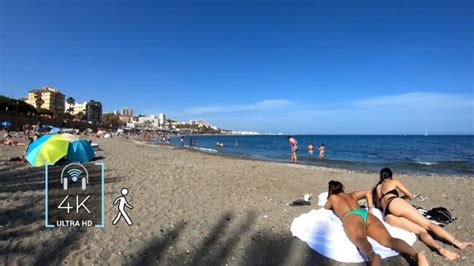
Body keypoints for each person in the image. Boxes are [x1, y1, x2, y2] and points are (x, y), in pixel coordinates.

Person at [372, 168, 472, 260]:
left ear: (381, 177)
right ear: (391, 176)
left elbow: (379, 205)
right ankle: (459, 244)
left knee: (421, 232)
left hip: (388, 216)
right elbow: (409, 195)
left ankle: (440, 249)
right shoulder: (393, 182)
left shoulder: (377, 188)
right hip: (395, 203)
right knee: (428, 225)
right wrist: (401, 199)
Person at [324, 180, 428, 266]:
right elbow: (367, 193)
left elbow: (326, 207)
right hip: (365, 214)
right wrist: (370, 207)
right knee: (389, 239)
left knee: (360, 239)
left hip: (350, 217)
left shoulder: (332, 198)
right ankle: (416, 254)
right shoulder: (352, 194)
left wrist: (330, 197)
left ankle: (373, 257)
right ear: (343, 188)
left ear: (331, 190)